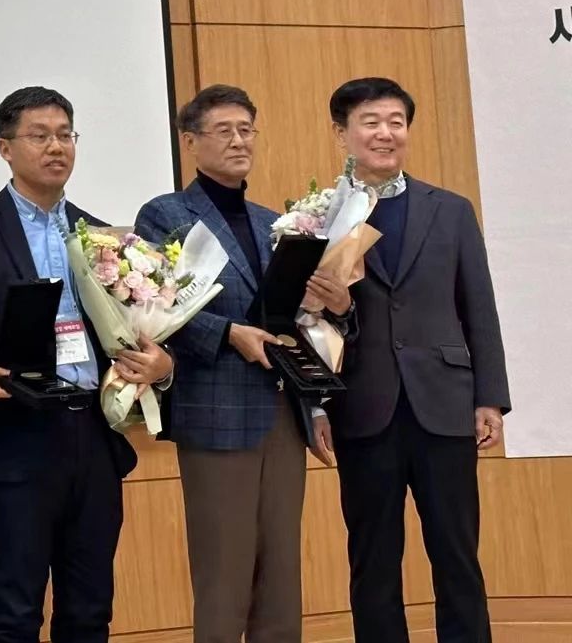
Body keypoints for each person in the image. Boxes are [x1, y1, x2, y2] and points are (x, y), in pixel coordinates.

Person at [0, 86, 172, 643]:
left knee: (89, 609)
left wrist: (158, 361)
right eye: (39, 136)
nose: (56, 147)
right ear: (5, 148)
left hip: (92, 432)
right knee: (16, 612)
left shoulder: (102, 235)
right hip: (15, 432)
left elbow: (132, 326)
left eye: (65, 135)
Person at [135, 84, 354, 643]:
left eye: (246, 130)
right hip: (216, 411)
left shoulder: (271, 221)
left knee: (281, 576)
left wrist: (316, 400)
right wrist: (229, 334)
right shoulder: (166, 216)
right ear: (190, 142)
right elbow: (155, 308)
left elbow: (290, 319)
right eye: (223, 131)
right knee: (224, 577)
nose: (238, 141)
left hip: (282, 411)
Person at [325, 77, 510, 643]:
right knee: (373, 560)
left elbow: (478, 306)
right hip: (363, 407)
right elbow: (307, 323)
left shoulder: (450, 210)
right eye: (370, 122)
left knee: (457, 554)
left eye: (395, 122)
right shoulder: (320, 217)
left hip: (444, 405)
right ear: (342, 134)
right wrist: (317, 403)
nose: (385, 133)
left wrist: (490, 398)